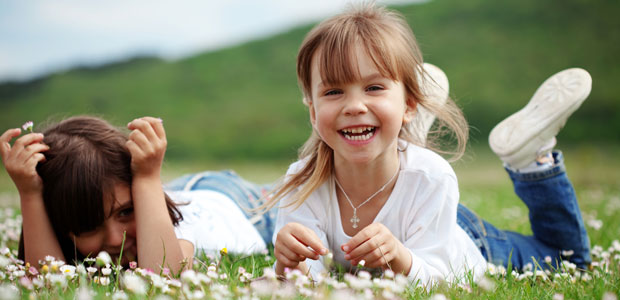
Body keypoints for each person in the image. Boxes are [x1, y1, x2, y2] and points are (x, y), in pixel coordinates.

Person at [265, 3, 592, 285]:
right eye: (333, 92)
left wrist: (401, 259)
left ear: (409, 104)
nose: (353, 106)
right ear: (313, 112)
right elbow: (306, 280)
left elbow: (442, 276)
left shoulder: (433, 177)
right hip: (417, 203)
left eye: (375, 87)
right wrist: (288, 265)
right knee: (412, 179)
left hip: (461, 238)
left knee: (568, 261)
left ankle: (529, 159)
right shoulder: (302, 183)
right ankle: (399, 138)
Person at [0, 116, 273, 273]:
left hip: (237, 203)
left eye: (126, 212)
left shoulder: (176, 227)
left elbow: (163, 278)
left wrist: (146, 176)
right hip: (180, 189)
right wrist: (30, 194)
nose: (116, 240)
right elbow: (44, 279)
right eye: (88, 226)